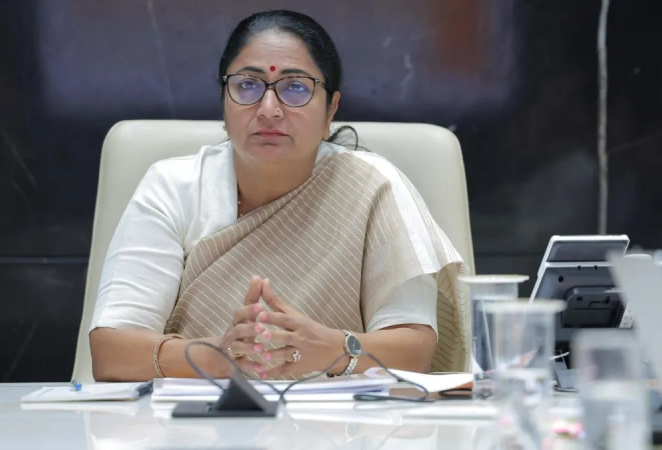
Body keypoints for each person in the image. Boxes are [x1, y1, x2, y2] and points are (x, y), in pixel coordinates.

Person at [89, 10, 467, 382]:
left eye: (296, 88)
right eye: (247, 85)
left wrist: (333, 348)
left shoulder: (373, 187)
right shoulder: (173, 186)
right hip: (198, 415)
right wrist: (216, 358)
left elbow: (415, 351)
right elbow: (111, 352)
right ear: (224, 101)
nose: (269, 110)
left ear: (330, 110)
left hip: (343, 418)